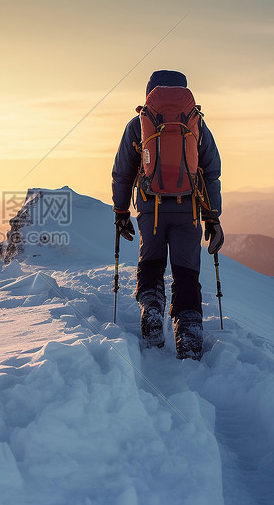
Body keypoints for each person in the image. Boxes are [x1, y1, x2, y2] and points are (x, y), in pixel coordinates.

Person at [111, 69, 223, 360]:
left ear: (149, 92)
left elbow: (123, 172)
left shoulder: (139, 124)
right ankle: (189, 332)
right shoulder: (196, 123)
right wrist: (213, 217)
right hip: (189, 209)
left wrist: (121, 212)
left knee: (151, 262)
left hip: (151, 206)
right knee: (186, 271)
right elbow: (211, 171)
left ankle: (151, 309)